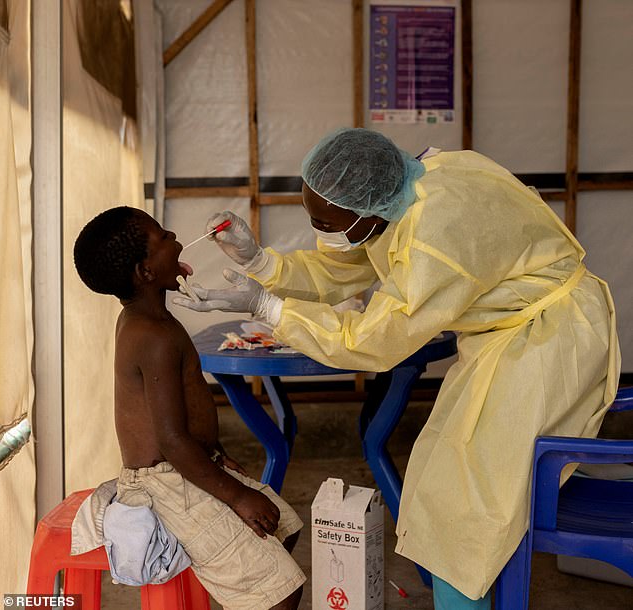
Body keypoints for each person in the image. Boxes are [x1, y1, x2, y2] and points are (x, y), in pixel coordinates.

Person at [174, 128, 621, 609]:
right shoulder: (414, 186)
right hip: (512, 336)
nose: (318, 227)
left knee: (471, 507)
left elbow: (373, 341)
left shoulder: (437, 236)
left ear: (366, 211)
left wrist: (270, 308)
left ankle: (468, 597)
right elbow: (347, 265)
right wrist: (262, 263)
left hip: (548, 342)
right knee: (441, 486)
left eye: (324, 220)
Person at [73, 206, 305, 610]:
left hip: (186, 464)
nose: (175, 234)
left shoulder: (148, 319)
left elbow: (176, 426)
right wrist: (235, 497)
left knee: (282, 528)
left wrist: (216, 456)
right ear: (146, 272)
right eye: (163, 236)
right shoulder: (153, 336)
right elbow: (171, 439)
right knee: (281, 595)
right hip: (167, 483)